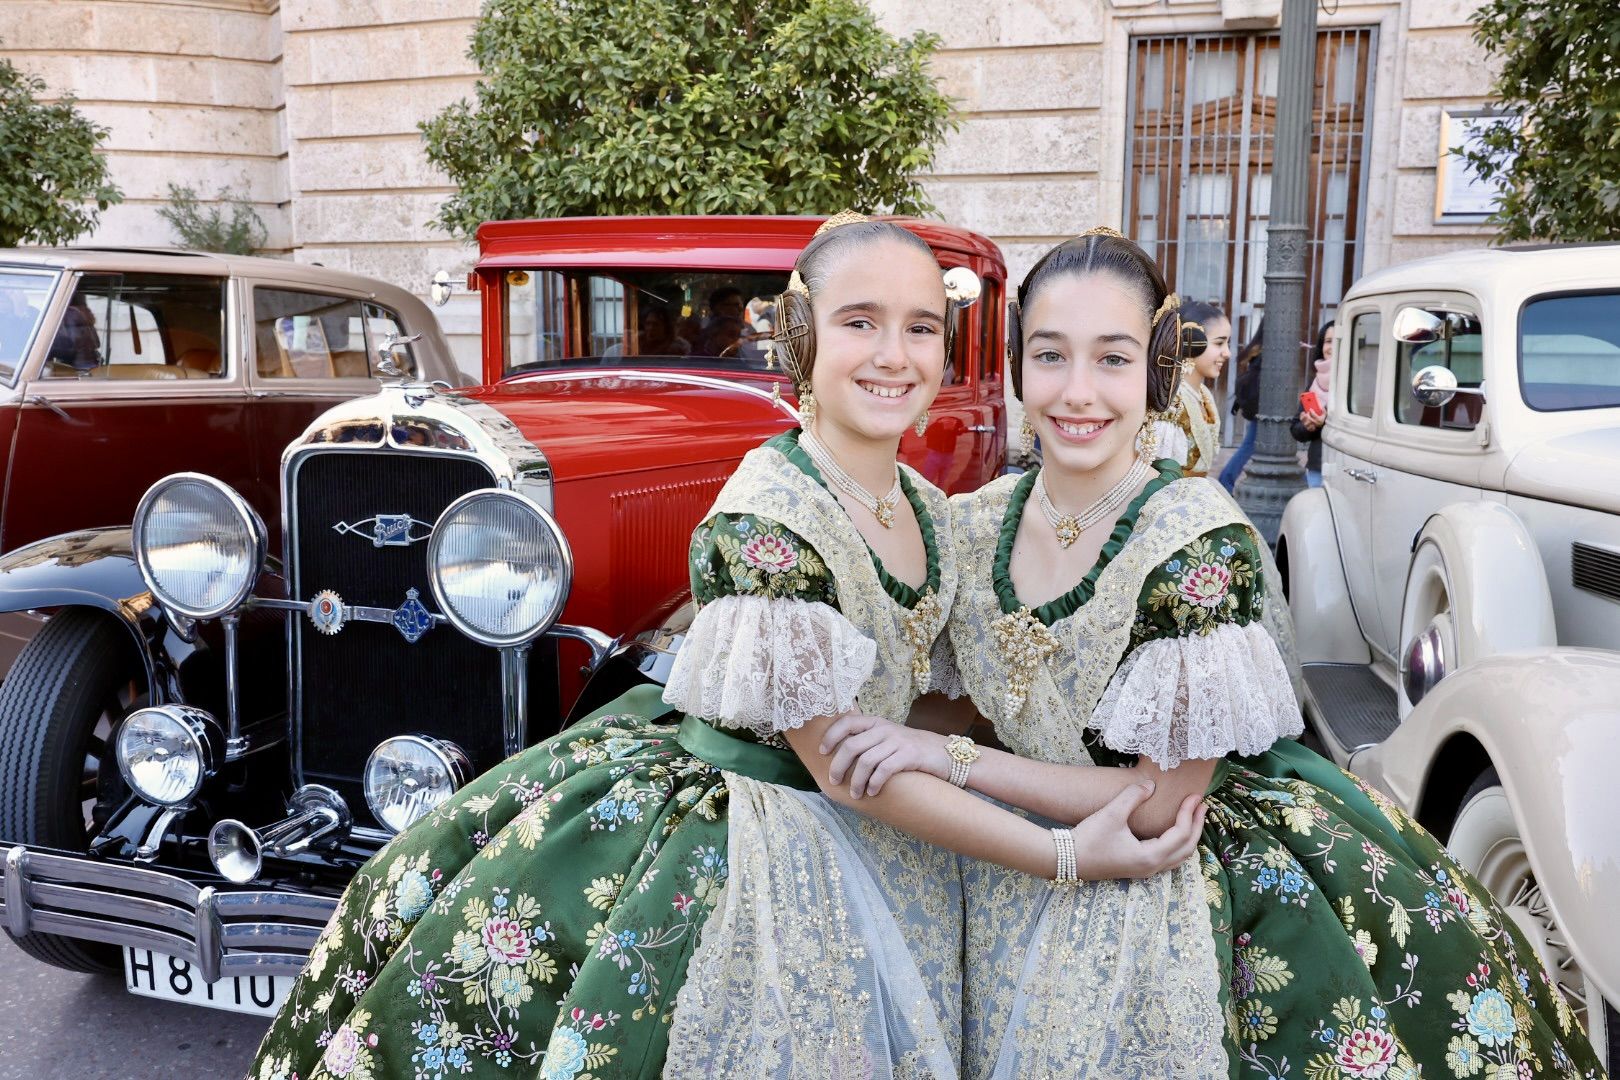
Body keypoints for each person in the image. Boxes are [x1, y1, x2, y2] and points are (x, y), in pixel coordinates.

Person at [249, 214, 1202, 1080]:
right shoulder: (767, 512)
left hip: (893, 837)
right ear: (801, 338)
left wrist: (1023, 755)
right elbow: (840, 767)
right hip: (763, 838)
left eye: (920, 327)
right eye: (859, 322)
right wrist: (1065, 854)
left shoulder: (925, 508)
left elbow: (929, 700)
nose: (893, 354)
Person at [824, 228, 1605, 1077]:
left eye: (1114, 360)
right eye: (1050, 356)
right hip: (1002, 871)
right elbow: (965, 696)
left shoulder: (1195, 543)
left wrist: (948, 760)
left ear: (1156, 371)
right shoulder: (975, 523)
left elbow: (1157, 806)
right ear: (1018, 365)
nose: (1077, 392)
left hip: (1157, 879)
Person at [1155, 297, 1228, 477]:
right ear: (1190, 341)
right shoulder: (1172, 401)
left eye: (1227, 343)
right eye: (1219, 343)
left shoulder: (1203, 394)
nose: (1227, 353)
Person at [1217, 314, 1264, 492]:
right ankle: (1226, 481)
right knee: (1249, 447)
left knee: (1250, 446)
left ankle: (1226, 480)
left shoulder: (1257, 348)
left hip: (1257, 406)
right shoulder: (1266, 350)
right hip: (1263, 407)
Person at [1292, 320, 1334, 487]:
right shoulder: (1314, 382)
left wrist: (1325, 422)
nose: (1332, 347)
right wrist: (1308, 426)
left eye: (1339, 341)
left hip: (1346, 468)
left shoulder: (1356, 381)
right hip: (1317, 466)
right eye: (1328, 341)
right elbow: (1296, 430)